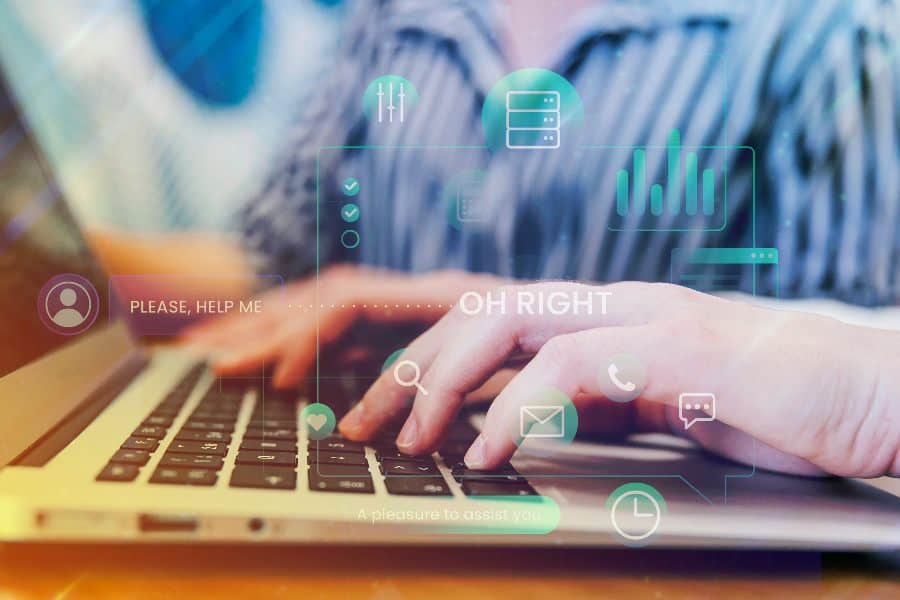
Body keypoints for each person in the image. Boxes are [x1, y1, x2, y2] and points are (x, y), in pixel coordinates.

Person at [95, 0, 900, 477]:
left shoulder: (823, 31)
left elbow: (835, 352)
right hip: (392, 437)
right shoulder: (396, 13)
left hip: (629, 522)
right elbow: (272, 271)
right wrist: (63, 264)